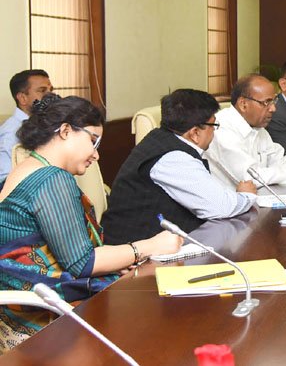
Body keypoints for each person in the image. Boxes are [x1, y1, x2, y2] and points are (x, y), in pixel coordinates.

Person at [0, 94, 182, 352]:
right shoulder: (51, 179)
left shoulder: (26, 167)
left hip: (20, 304)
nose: (96, 154)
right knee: (160, 314)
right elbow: (82, 263)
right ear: (65, 131)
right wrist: (151, 246)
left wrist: (120, 258)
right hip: (44, 313)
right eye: (93, 141)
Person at [101, 89, 257, 245]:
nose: (214, 132)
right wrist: (246, 195)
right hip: (135, 250)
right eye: (213, 125)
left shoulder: (162, 140)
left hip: (155, 244)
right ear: (195, 133)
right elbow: (221, 207)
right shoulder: (173, 159)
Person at [205, 74, 286, 188]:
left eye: (274, 101)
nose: (273, 108)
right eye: (267, 102)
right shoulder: (221, 128)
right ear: (243, 104)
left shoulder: (258, 128)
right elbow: (252, 177)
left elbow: (278, 160)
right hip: (231, 201)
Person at [0, 70, 53, 180]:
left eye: (51, 90)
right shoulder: (11, 133)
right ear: (22, 98)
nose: (50, 95)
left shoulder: (47, 124)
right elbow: (5, 180)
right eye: (42, 90)